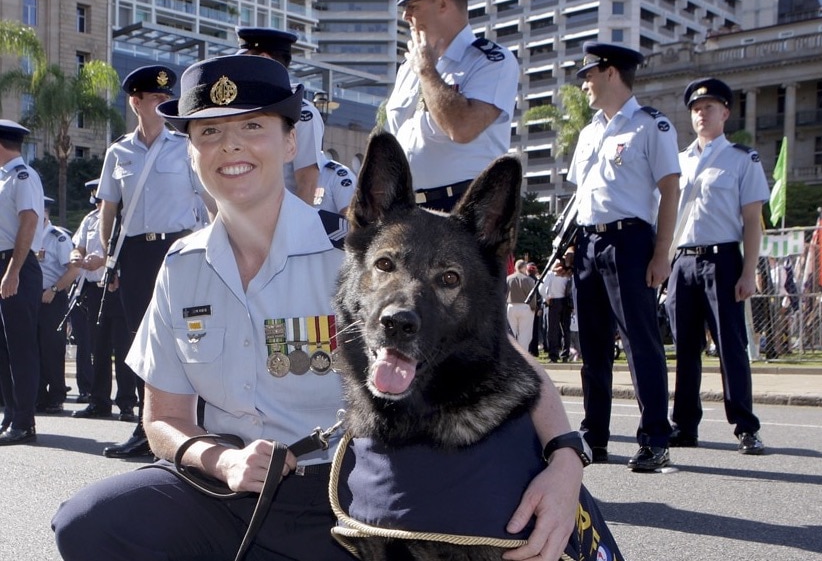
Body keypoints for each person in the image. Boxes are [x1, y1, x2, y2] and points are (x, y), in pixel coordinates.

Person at [53, 54, 584, 561]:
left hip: (345, 496)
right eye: (209, 132)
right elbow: (164, 420)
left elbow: (508, 359)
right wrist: (223, 460)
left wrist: (565, 462)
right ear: (190, 151)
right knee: (89, 524)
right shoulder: (181, 265)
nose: (230, 147)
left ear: (291, 142)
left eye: (253, 127)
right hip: (227, 490)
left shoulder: (362, 257)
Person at [568, 42, 680, 471]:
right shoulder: (590, 132)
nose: (585, 85)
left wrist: (661, 252)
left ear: (611, 72)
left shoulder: (652, 126)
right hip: (588, 242)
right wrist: (571, 243)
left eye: (589, 75)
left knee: (640, 342)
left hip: (631, 242)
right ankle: (594, 436)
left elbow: (670, 190)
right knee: (592, 346)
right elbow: (580, 195)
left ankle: (655, 436)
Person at [96, 64, 212, 459]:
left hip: (178, 246)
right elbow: (108, 209)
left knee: (188, 333)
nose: (164, 104)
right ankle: (145, 427)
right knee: (139, 339)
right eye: (156, 99)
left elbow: (208, 199)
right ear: (136, 103)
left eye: (168, 99)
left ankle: (193, 422)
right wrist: (110, 258)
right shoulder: (119, 152)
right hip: (135, 252)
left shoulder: (184, 146)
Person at [665, 78, 768, 455]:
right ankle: (685, 425)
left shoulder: (743, 159)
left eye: (709, 107)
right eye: (695, 108)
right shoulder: (677, 162)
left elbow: (751, 219)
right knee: (685, 350)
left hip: (723, 260)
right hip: (682, 261)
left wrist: (748, 271)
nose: (701, 114)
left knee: (731, 347)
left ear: (725, 112)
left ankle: (745, 425)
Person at [385, 0, 520, 212]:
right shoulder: (408, 68)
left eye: (413, 6)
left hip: (462, 206)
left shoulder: (491, 61)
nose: (406, 16)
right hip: (407, 208)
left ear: (443, 2)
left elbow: (462, 127)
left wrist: (427, 71)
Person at [235, 26, 326, 206]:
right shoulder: (244, 107)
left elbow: (307, 182)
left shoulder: (301, 112)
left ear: (263, 59)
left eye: (244, 60)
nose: (238, 68)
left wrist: (295, 231)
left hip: (279, 219)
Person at [69, 180, 136, 421]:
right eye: (97, 197)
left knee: (123, 347)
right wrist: (77, 256)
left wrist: (103, 261)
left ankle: (127, 402)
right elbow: (79, 247)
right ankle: (98, 401)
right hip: (95, 290)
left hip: (118, 288)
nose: (99, 201)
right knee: (98, 347)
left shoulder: (125, 217)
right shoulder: (89, 220)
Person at [0, 119, 44, 446]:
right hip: (4, 264)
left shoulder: (22, 176)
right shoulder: (4, 179)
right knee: (4, 348)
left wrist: (13, 270)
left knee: (20, 348)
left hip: (16, 265)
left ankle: (24, 421)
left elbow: (29, 221)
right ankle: (10, 415)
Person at [35, 197, 79, 414]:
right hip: (29, 298)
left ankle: (57, 395)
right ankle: (39, 395)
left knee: (52, 348)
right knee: (33, 349)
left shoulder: (58, 238)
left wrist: (53, 290)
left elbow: (73, 270)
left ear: (46, 213)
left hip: (52, 297)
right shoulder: (25, 235)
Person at [539, 259, 572, 363]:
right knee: (566, 329)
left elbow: (541, 288)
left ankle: (554, 355)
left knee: (553, 330)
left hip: (553, 301)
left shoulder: (550, 274)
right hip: (566, 302)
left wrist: (547, 297)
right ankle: (565, 354)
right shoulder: (568, 274)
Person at [506, 259, 537, 354]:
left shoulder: (508, 279)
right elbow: (532, 296)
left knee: (511, 333)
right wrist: (533, 307)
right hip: (525, 307)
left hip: (511, 306)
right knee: (524, 333)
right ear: (524, 267)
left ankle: (510, 353)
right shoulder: (529, 280)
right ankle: (523, 354)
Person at [526, 261, 543, 356]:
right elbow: (539, 295)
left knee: (528, 330)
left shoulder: (526, 280)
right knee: (535, 329)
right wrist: (539, 307)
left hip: (527, 307)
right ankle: (534, 350)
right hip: (536, 307)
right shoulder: (537, 280)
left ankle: (529, 349)